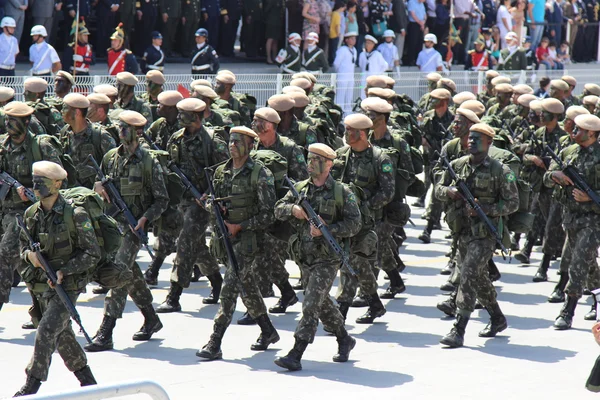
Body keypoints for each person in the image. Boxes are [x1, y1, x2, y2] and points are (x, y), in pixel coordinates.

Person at [14, 160, 98, 397]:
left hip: (69, 285)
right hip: (41, 283)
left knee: (47, 330)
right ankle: (88, 380)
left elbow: (92, 253)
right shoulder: (31, 214)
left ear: (57, 184)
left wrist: (65, 271)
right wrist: (31, 256)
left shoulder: (76, 214)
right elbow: (22, 249)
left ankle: (32, 384)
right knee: (63, 335)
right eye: (34, 181)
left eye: (41, 182)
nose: (35, 187)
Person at [273, 142, 361, 371]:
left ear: (329, 164)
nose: (310, 163)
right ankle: (344, 339)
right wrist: (294, 210)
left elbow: (355, 224)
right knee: (322, 305)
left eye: (316, 160)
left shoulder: (342, 192)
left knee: (311, 303)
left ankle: (296, 353)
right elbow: (278, 208)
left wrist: (328, 229)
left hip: (328, 258)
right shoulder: (300, 188)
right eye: (309, 159)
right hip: (304, 256)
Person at [196, 126, 280, 361]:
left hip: (249, 241)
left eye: (238, 142)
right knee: (247, 286)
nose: (232, 145)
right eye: (231, 141)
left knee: (229, 287)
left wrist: (240, 226)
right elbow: (210, 202)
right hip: (225, 240)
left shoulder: (260, 174)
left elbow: (269, 214)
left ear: (250, 145)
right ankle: (268, 331)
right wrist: (215, 208)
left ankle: (215, 341)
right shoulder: (221, 172)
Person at [84, 110, 166, 352]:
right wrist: (98, 188)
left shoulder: (149, 162)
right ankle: (151, 318)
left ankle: (106, 331)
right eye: (120, 126)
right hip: (112, 226)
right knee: (130, 274)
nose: (120, 130)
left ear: (138, 131)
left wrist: (144, 218)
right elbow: (97, 187)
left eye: (125, 127)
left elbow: (162, 200)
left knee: (118, 273)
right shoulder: (110, 158)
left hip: (133, 229)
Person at [436, 123, 518, 348]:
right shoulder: (457, 166)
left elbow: (512, 203)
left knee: (468, 274)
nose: (471, 141)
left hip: (485, 235)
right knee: (479, 277)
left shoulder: (501, 171)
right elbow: (438, 189)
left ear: (489, 143)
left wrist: (487, 209)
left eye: (477, 138)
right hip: (461, 232)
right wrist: (449, 192)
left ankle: (458, 328)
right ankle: (498, 318)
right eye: (470, 138)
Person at [156, 98, 229, 312]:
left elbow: (223, 172)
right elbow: (171, 167)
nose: (179, 118)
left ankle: (174, 295)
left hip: (202, 203)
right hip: (182, 201)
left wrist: (207, 194)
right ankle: (216, 281)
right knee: (195, 246)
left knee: (185, 242)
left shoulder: (213, 141)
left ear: (196, 117)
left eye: (183, 114)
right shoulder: (176, 139)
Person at [0, 101, 63, 328]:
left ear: (26, 122)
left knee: (5, 257)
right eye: (6, 120)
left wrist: (33, 193)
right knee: (26, 267)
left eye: (13, 121)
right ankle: (40, 313)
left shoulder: (41, 147)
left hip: (28, 215)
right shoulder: (2, 146)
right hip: (4, 212)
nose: (8, 124)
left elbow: (58, 183)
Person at [545, 114, 600, 330]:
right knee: (587, 262)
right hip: (571, 218)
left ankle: (568, 309)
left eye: (579, 129)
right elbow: (547, 177)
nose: (573, 132)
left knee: (577, 262)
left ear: (592, 134)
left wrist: (591, 196)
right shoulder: (567, 152)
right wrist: (555, 176)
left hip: (594, 219)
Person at [59, 93, 116, 189]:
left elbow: (114, 166)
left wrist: (101, 183)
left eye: (65, 108)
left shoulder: (99, 135)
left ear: (77, 112)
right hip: (71, 193)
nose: (61, 111)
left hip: (93, 195)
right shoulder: (65, 132)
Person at [334, 31, 358, 115]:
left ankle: (348, 113)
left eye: (354, 38)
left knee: (349, 96)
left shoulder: (354, 50)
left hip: (350, 77)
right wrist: (340, 73)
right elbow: (336, 64)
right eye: (351, 39)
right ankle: (338, 113)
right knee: (340, 96)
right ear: (347, 40)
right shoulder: (342, 50)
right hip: (342, 76)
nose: (354, 40)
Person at [389, 0, 408, 66]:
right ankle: (397, 61)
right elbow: (399, 15)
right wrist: (402, 28)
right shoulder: (398, 1)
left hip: (397, 28)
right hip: (398, 29)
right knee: (398, 45)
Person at [264, 0, 283, 65]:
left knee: (275, 40)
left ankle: (275, 57)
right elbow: (266, 10)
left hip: (278, 22)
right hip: (271, 22)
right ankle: (268, 58)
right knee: (270, 39)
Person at [329, 0, 345, 65]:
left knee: (331, 49)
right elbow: (337, 25)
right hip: (335, 34)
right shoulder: (337, 15)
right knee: (335, 49)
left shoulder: (333, 13)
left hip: (331, 33)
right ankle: (334, 62)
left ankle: (330, 61)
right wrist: (338, 33)